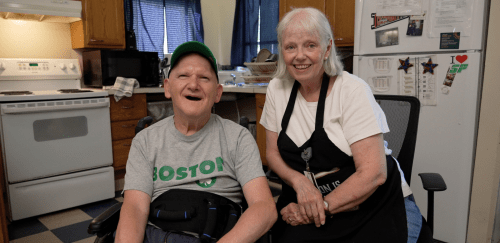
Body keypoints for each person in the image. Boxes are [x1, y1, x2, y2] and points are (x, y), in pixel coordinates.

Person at [259, 8, 422, 242]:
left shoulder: (352, 91)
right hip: (312, 201)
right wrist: (300, 182)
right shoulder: (277, 88)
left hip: (374, 204)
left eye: (310, 45)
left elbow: (373, 174)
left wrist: (316, 209)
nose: (300, 55)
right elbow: (272, 153)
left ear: (327, 49)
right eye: (291, 46)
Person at [115, 41, 277, 243]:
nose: (193, 85)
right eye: (183, 76)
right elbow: (135, 208)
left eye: (204, 78)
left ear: (217, 93)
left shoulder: (237, 138)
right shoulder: (145, 141)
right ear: (167, 88)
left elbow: (265, 207)